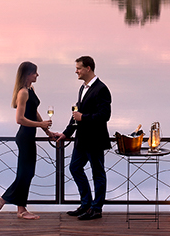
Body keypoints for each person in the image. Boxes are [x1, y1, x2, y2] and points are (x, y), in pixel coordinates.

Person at [0, 61, 54, 220]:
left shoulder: (30, 89)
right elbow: (19, 119)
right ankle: (6, 202)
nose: (37, 75)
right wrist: (41, 124)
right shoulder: (23, 93)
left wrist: (47, 131)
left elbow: (34, 112)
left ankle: (20, 209)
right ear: (27, 74)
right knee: (25, 173)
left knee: (26, 173)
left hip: (29, 137)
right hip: (25, 137)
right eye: (35, 73)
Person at [54, 56, 112, 221]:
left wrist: (83, 117)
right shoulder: (83, 88)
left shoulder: (102, 89)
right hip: (81, 140)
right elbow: (75, 115)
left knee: (98, 173)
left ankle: (96, 209)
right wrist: (66, 133)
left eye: (78, 68)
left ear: (88, 68)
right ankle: (86, 204)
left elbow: (104, 116)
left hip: (95, 140)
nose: (76, 71)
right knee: (74, 168)